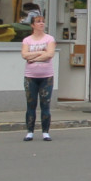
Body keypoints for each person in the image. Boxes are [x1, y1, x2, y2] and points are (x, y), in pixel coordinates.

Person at [20, 12, 55, 141]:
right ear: (32, 25)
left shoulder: (49, 39)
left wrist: (33, 57)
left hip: (46, 76)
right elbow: (24, 55)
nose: (41, 24)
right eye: (38, 21)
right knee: (31, 104)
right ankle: (30, 131)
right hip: (31, 76)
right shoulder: (27, 40)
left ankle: (45, 132)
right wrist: (41, 52)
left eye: (42, 21)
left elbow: (49, 54)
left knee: (45, 104)